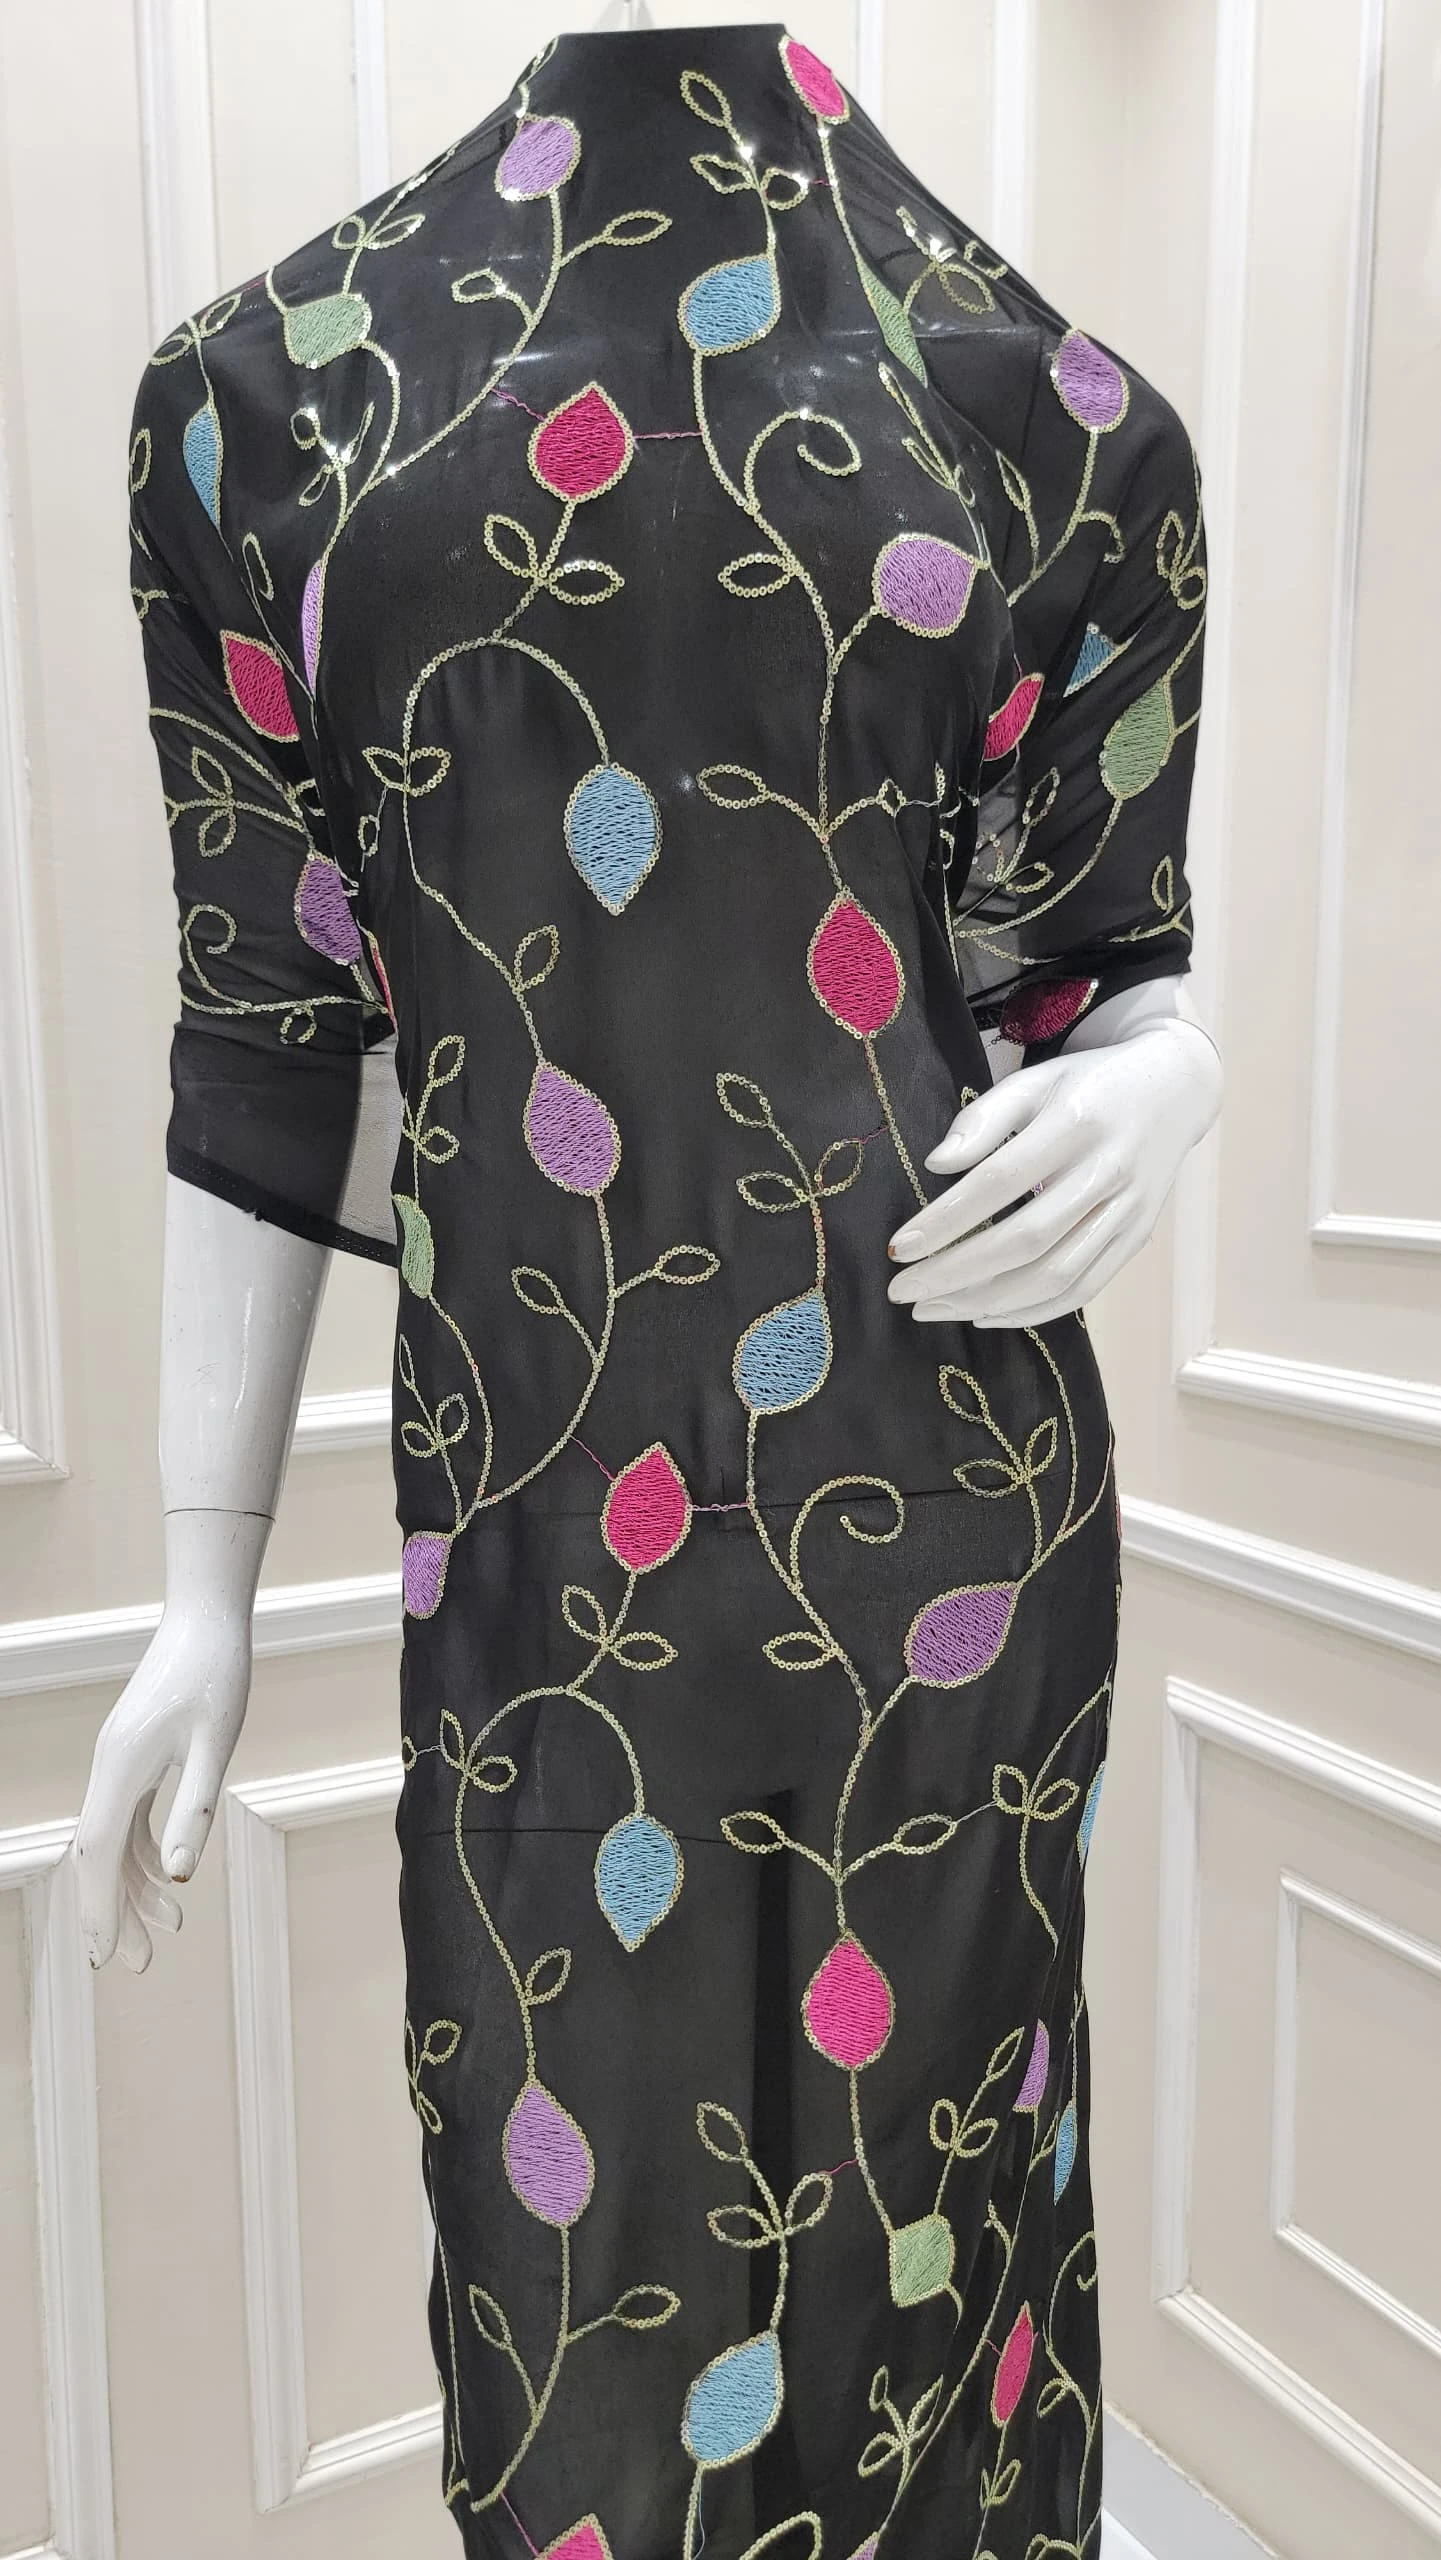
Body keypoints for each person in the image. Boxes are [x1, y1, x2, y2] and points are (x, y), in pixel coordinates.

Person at [80, 21, 1219, 2555]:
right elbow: (269, 1032)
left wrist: (1180, 1069)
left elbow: (1095, 963)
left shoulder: (1061, 418)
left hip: (957, 1538)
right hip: (534, 1553)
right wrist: (195, 1582)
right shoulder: (263, 407)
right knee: (580, 2318)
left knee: (937, 2280)